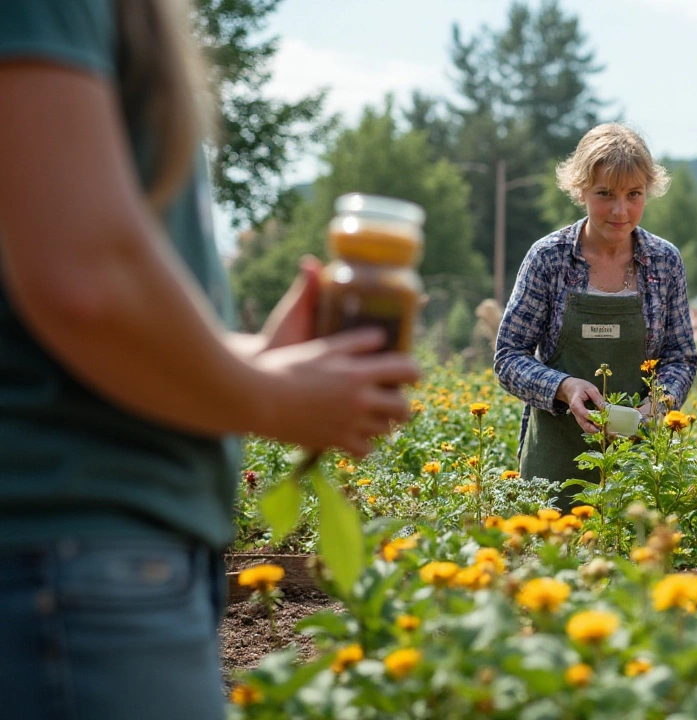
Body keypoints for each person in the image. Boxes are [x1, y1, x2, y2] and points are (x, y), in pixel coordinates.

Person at [0, 2, 419, 718]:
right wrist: (268, 395)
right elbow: (85, 276)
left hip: (98, 560)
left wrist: (253, 358)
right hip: (71, 558)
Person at [494, 123, 697, 506]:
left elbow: (681, 358)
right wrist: (564, 387)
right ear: (581, 190)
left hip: (637, 468)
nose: (620, 210)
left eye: (633, 194)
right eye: (605, 194)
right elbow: (508, 356)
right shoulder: (549, 258)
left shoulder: (664, 261)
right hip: (553, 465)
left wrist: (657, 407)